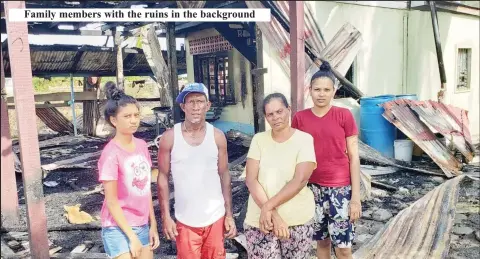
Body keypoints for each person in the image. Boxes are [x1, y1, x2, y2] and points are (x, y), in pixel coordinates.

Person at [156, 83, 237, 259]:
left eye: (200, 101)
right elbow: (162, 178)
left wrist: (229, 215)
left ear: (207, 106)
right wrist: (166, 217)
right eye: (190, 102)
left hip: (215, 217)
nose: (195, 107)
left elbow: (224, 175)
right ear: (182, 106)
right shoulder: (170, 137)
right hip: (185, 220)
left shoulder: (217, 136)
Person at [291, 61, 362, 259]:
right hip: (311, 190)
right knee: (321, 243)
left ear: (333, 92)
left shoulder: (344, 116)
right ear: (310, 91)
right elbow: (295, 155)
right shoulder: (300, 118)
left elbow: (354, 157)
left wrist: (355, 197)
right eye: (317, 90)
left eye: (326, 90)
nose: (321, 94)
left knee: (344, 249)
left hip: (340, 190)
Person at [243, 93, 317, 259]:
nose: (275, 117)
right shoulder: (258, 140)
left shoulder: (304, 140)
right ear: (265, 117)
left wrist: (268, 208)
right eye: (270, 114)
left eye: (279, 111)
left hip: (296, 221)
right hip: (261, 222)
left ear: (288, 110)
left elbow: (299, 181)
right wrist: (272, 214)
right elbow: (251, 179)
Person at [97, 82, 160, 259]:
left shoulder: (141, 146)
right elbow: (111, 202)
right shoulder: (111, 154)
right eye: (127, 116)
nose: (133, 120)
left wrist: (152, 224)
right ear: (114, 121)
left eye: (136, 115)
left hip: (142, 224)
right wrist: (131, 237)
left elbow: (145, 188)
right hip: (117, 227)